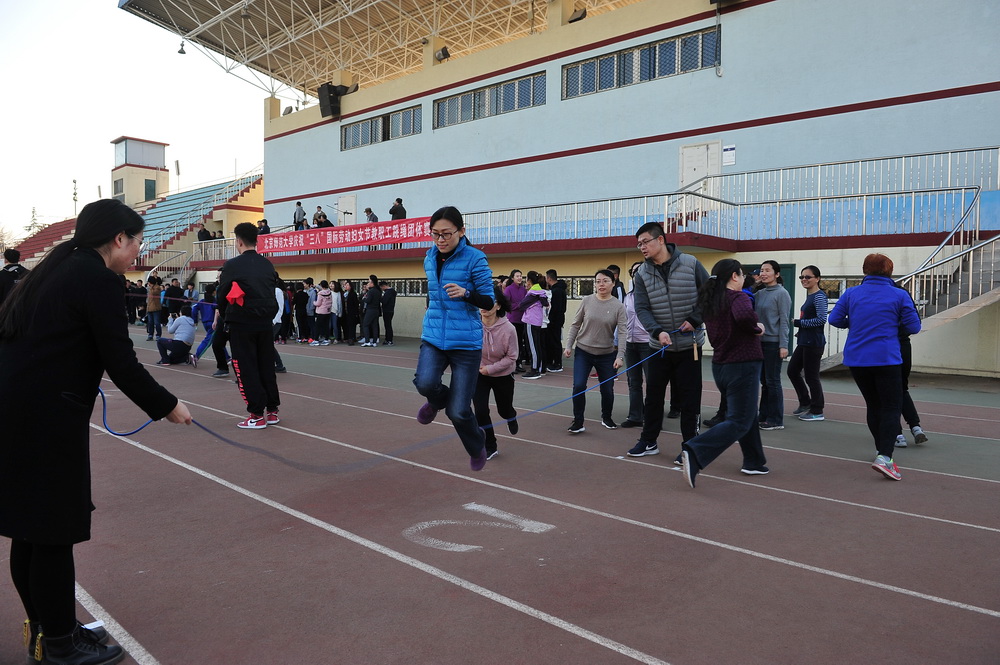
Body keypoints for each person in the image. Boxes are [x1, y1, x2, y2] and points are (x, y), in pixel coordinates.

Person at [0, 199, 191, 665]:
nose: (139, 250)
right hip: (46, 420)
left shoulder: (52, 271)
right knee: (52, 533)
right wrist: (167, 405)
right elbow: (120, 360)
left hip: (17, 413)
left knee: (30, 531)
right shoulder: (97, 278)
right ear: (119, 238)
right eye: (138, 241)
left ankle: (48, 632)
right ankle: (60, 646)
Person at [413, 205, 495, 471]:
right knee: (425, 383)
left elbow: (489, 300)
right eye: (435, 234)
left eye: (446, 233)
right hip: (434, 336)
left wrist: (466, 293)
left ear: (461, 231)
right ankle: (436, 400)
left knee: (458, 411)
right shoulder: (429, 258)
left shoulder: (475, 259)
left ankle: (477, 445)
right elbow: (433, 295)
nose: (440, 239)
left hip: (466, 343)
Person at [829, 253, 921, 480]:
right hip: (886, 357)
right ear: (889, 271)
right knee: (891, 406)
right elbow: (914, 326)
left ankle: (882, 451)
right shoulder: (899, 294)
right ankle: (885, 457)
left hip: (857, 359)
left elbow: (834, 319)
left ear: (865, 270)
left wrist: (854, 322)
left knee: (873, 405)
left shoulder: (851, 293)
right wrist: (893, 324)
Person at [679, 259, 769, 488]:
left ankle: (754, 461)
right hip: (743, 365)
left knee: (747, 414)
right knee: (739, 419)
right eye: (742, 274)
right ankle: (695, 450)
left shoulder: (712, 300)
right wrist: (757, 328)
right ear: (734, 276)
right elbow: (744, 317)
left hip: (722, 366)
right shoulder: (738, 297)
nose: (744, 279)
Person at [629, 222, 708, 459]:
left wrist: (695, 320)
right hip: (659, 347)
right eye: (639, 244)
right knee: (653, 397)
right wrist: (656, 331)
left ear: (661, 240)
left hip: (689, 346)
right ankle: (648, 441)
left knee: (690, 400)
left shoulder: (691, 263)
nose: (642, 247)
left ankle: (690, 447)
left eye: (645, 242)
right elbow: (642, 308)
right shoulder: (642, 274)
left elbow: (710, 295)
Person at [217, 222, 281, 429]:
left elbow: (222, 294)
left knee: (246, 368)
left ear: (239, 241)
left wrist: (225, 315)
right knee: (266, 365)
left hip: (242, 323)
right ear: (256, 240)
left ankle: (256, 415)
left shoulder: (232, 265)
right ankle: (272, 411)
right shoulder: (267, 264)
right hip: (265, 322)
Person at [564, 269, 627, 433]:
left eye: (605, 281)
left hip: (607, 354)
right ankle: (578, 421)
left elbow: (622, 332)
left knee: (607, 389)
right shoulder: (587, 301)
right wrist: (568, 345)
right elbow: (575, 324)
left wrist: (620, 356)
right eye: (598, 281)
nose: (601, 284)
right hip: (583, 352)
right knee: (578, 386)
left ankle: (607, 417)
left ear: (613, 283)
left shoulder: (618, 306)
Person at [474, 287, 519, 460]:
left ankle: (511, 416)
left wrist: (490, 369)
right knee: (480, 410)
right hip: (480, 374)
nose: (484, 306)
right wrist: (480, 367)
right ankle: (490, 445)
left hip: (503, 375)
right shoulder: (474, 325)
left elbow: (512, 357)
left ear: (498, 305)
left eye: (489, 302)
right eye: (481, 302)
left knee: (504, 410)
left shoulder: (509, 329)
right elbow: (468, 349)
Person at [788, 265, 828, 421]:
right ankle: (805, 402)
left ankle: (817, 410)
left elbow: (821, 319)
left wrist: (799, 323)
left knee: (811, 377)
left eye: (808, 277)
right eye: (801, 277)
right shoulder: (810, 295)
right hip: (805, 340)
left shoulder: (819, 296)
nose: (804, 279)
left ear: (817, 279)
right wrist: (801, 330)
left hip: (814, 343)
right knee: (792, 371)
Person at [755, 260, 791, 430]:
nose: (763, 273)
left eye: (767, 270)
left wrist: (784, 345)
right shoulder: (760, 293)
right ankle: (763, 415)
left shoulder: (782, 294)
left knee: (773, 381)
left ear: (777, 274)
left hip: (773, 343)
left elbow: (784, 321)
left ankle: (776, 419)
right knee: (764, 381)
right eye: (762, 270)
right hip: (759, 343)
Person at [895, 289, 928, 447]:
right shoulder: (903, 294)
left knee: (885, 394)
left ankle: (897, 433)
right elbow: (915, 325)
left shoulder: (869, 294)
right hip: (903, 345)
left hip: (886, 347)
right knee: (901, 389)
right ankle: (915, 427)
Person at [622, 261, 652, 431]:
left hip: (648, 344)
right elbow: (623, 320)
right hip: (630, 344)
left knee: (652, 382)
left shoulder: (652, 296)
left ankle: (652, 416)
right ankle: (635, 416)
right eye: (634, 272)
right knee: (634, 382)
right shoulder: (628, 297)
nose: (637, 274)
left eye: (640, 271)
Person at [514, 270, 549, 379]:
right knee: (537, 345)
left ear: (529, 280)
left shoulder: (533, 292)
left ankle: (534, 370)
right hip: (537, 321)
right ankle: (539, 368)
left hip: (531, 321)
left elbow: (522, 305)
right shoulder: (540, 291)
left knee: (533, 346)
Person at [503, 269, 527, 373]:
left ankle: (518, 363)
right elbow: (506, 304)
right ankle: (511, 364)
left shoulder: (523, 289)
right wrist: (519, 305)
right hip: (512, 319)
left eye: (520, 276)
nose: (519, 278)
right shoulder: (508, 289)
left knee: (520, 343)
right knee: (512, 343)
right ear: (512, 278)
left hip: (522, 320)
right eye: (517, 276)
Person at [543, 269, 567, 372]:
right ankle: (553, 362)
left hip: (554, 320)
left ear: (549, 278)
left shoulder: (556, 291)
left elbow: (555, 308)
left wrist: (550, 319)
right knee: (553, 341)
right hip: (558, 319)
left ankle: (557, 363)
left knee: (555, 341)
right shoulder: (560, 289)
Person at [310, 280, 334, 346]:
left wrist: (314, 302)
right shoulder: (329, 292)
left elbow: (318, 303)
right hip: (328, 311)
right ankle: (326, 339)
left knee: (317, 326)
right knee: (326, 326)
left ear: (321, 286)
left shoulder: (320, 293)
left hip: (321, 312)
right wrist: (316, 286)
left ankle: (316, 340)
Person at [361, 275, 382, 346]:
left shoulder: (371, 291)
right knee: (374, 325)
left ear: (372, 282)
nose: (368, 283)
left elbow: (368, 300)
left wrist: (364, 299)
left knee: (365, 325)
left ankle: (367, 341)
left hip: (370, 310)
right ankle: (374, 342)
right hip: (376, 310)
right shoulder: (378, 291)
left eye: (369, 281)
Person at [341, 280, 360, 345]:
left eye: (347, 285)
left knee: (352, 326)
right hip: (345, 312)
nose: (346, 286)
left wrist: (356, 313)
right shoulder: (345, 294)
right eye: (345, 285)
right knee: (346, 326)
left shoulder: (353, 294)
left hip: (351, 313)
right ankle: (348, 338)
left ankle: (351, 339)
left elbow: (356, 304)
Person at [145, 276, 163, 340]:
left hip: (156, 307)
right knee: (150, 322)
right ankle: (150, 334)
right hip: (149, 307)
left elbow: (153, 293)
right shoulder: (150, 288)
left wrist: (151, 287)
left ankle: (158, 335)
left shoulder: (157, 287)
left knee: (157, 322)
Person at [379, 281, 396, 345]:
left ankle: (389, 340)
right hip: (390, 310)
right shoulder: (392, 291)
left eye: (381, 288)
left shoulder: (388, 292)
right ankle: (388, 339)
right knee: (388, 325)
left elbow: (384, 301)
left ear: (383, 286)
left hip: (387, 310)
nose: (382, 289)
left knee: (387, 325)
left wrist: (380, 298)